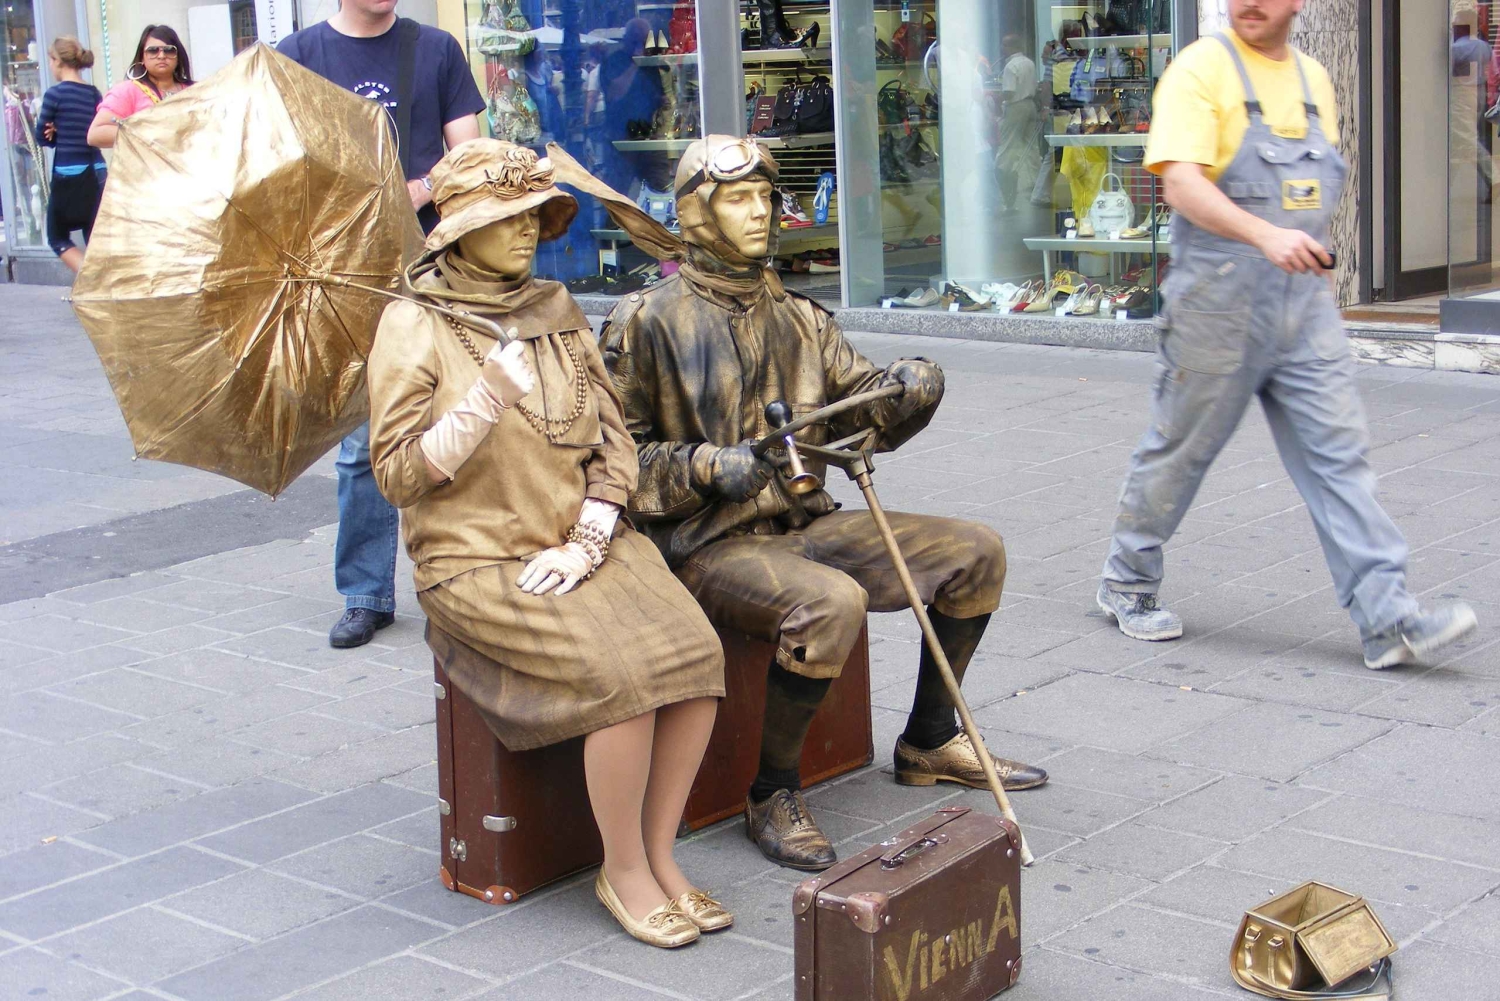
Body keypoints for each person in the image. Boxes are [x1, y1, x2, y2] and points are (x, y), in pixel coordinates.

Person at [602, 136, 1047, 873]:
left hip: (809, 519)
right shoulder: (646, 320)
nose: (760, 212)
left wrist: (906, 389)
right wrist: (709, 465)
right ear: (697, 213)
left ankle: (930, 738)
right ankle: (772, 790)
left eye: (765, 197)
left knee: (977, 550)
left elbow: (857, 405)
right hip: (708, 543)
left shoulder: (799, 315)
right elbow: (616, 458)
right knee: (831, 603)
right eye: (738, 199)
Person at [367, 138, 728, 948]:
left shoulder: (554, 307)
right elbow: (396, 475)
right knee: (620, 678)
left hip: (579, 542)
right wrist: (482, 401)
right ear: (459, 233)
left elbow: (615, 441)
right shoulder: (412, 323)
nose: (528, 228)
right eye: (507, 217)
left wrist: (589, 538)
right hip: (477, 560)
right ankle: (623, 868)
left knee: (695, 655)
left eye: (535, 213)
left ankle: (661, 855)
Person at [1096, 0, 1479, 669]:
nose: (1248, 3)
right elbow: (1180, 185)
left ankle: (1386, 619)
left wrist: (1318, 279)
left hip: (1303, 309)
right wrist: (1265, 235)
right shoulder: (1201, 69)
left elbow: (1315, 196)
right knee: (1179, 451)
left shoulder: (1314, 80)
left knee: (1340, 459)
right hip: (1217, 305)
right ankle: (1127, 580)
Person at [277, 0, 487, 649]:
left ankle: (470, 576)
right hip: (349, 272)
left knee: (465, 416)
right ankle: (366, 593)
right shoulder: (299, 57)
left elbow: (471, 153)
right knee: (363, 442)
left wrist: (421, 187)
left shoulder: (435, 49)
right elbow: (276, 164)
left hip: (436, 263)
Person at [35, 37, 104, 273]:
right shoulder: (93, 93)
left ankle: (91, 281)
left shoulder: (54, 95)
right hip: (98, 170)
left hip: (70, 173)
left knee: (57, 236)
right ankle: (105, 284)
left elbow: (41, 137)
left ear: (57, 61)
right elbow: (93, 131)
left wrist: (55, 133)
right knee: (94, 236)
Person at [87, 25, 192, 149]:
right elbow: (95, 134)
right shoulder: (128, 90)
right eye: (153, 51)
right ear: (142, 57)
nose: (161, 56)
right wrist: (147, 134)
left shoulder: (194, 90)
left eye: (169, 50)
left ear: (178, 56)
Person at [995, 33, 1041, 212]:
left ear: (1011, 46)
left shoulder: (1010, 66)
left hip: (1015, 106)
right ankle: (1035, 185)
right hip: (1030, 104)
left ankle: (1004, 175)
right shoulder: (1029, 63)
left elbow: (1009, 92)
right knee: (1031, 147)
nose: (1002, 48)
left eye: (1004, 45)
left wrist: (997, 99)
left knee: (1008, 145)